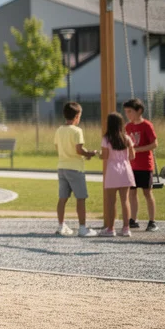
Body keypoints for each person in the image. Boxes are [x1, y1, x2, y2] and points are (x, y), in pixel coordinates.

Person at [54, 101, 97, 237]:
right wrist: (89, 153)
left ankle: (61, 226)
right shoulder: (77, 131)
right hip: (76, 169)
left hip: (62, 167)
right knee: (81, 198)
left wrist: (82, 155)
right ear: (77, 116)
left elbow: (58, 148)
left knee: (62, 198)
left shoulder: (59, 130)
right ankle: (82, 228)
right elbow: (79, 150)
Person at [99, 112, 136, 237]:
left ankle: (111, 229)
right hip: (125, 169)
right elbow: (132, 156)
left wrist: (98, 154)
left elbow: (104, 156)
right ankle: (126, 228)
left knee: (111, 201)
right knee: (125, 200)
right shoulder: (127, 138)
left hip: (112, 170)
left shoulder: (106, 138)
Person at [124, 99, 159, 232]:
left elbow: (155, 144)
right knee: (132, 193)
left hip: (145, 165)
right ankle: (133, 219)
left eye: (130, 111)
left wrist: (137, 150)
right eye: (126, 112)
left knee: (147, 193)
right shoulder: (128, 126)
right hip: (131, 165)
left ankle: (152, 221)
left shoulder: (147, 125)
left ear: (139, 111)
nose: (127, 114)